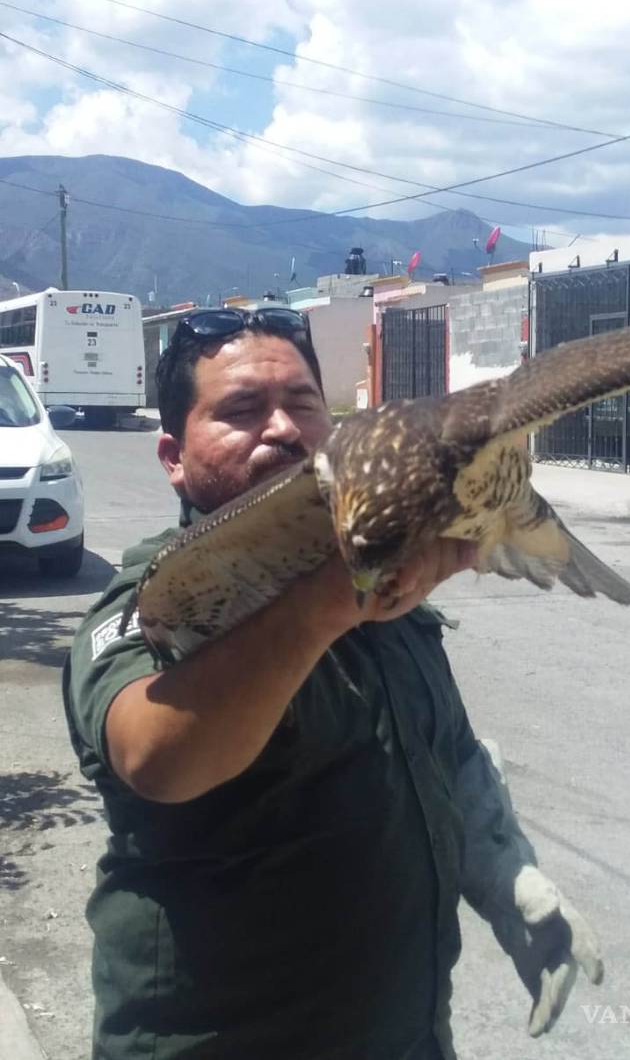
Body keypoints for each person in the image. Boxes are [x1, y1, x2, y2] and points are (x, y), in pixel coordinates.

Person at [63, 307, 602, 1060]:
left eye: (303, 405)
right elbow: (157, 756)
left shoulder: (385, 560)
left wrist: (516, 886)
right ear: (173, 456)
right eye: (241, 410)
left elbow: (443, 751)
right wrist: (333, 600)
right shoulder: (157, 599)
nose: (282, 428)